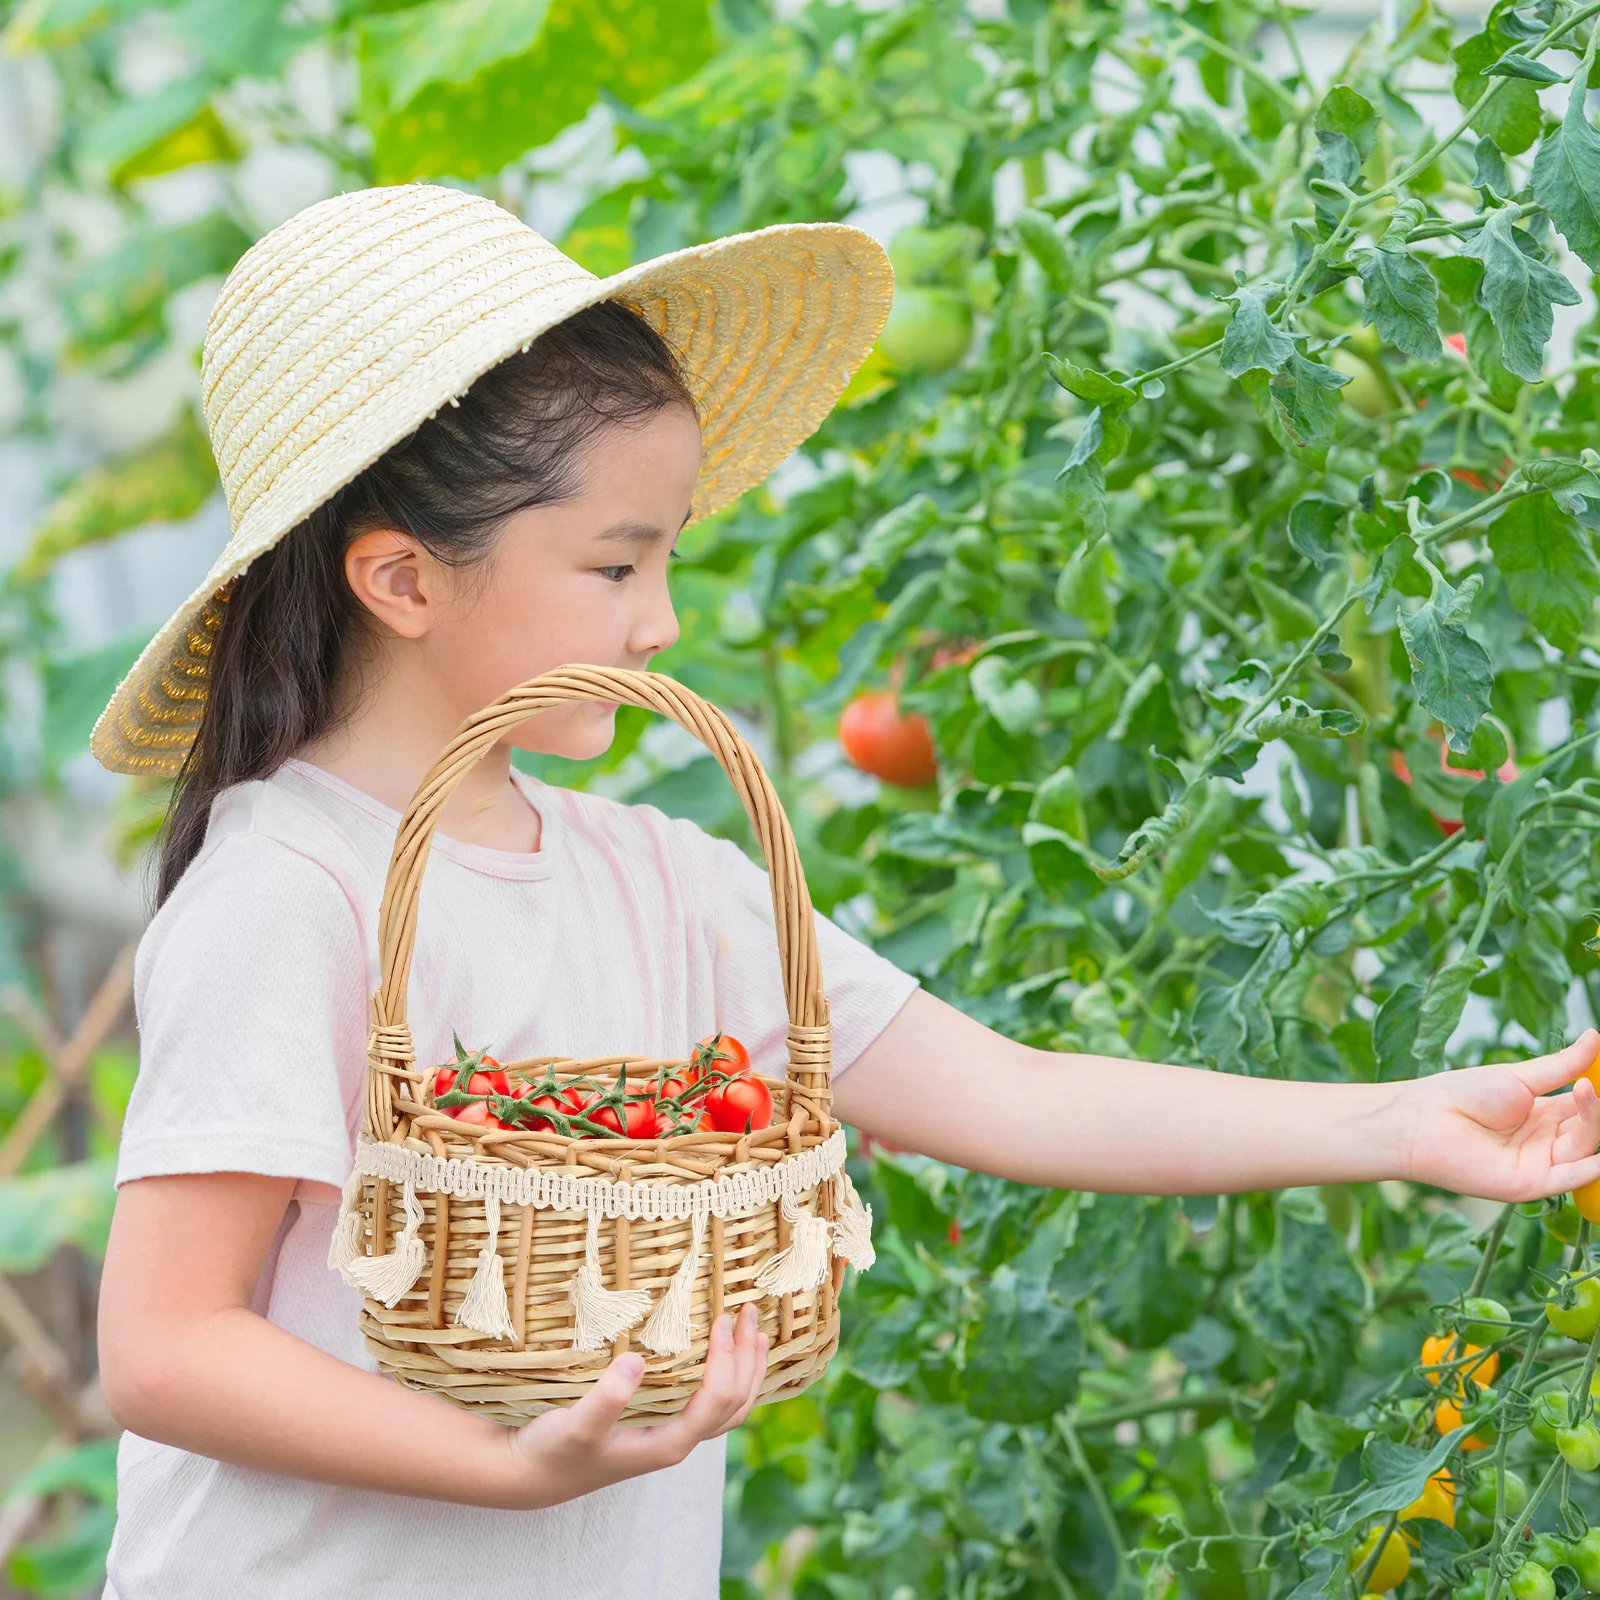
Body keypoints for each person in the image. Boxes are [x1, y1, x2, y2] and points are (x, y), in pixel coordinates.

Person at [92, 184, 1600, 1600]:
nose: (661, 619)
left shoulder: (662, 882)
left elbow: (1013, 1094)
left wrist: (1398, 1123)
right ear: (404, 581)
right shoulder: (291, 891)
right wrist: (506, 1467)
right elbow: (166, 1349)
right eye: (616, 567)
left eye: (668, 559)